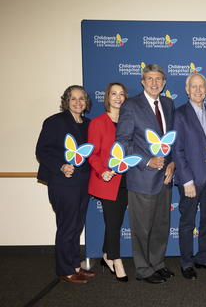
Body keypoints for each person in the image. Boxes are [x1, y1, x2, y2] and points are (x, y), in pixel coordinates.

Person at [116, 64, 175, 284]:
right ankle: (143, 269)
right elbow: (122, 142)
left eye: (158, 78)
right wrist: (147, 160)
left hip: (165, 178)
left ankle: (157, 264)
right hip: (142, 177)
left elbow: (172, 139)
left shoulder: (168, 104)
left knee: (161, 226)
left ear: (164, 82)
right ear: (143, 81)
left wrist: (173, 164)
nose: (154, 82)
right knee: (141, 228)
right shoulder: (131, 106)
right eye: (150, 78)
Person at [36, 85, 96, 284]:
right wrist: (61, 166)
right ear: (66, 101)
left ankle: (75, 266)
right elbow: (42, 151)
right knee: (66, 227)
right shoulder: (55, 121)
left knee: (76, 226)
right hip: (63, 183)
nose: (78, 102)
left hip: (84, 182)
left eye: (82, 98)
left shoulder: (88, 123)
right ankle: (64, 270)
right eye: (73, 98)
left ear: (86, 102)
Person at [172, 73, 206, 280]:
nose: (198, 90)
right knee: (187, 222)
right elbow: (177, 150)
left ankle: (203, 258)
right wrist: (187, 181)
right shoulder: (179, 114)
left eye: (202, 86)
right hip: (191, 176)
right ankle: (185, 262)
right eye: (194, 87)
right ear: (187, 90)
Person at [88, 82, 129, 282]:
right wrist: (102, 171)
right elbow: (92, 154)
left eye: (121, 94)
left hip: (128, 180)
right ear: (107, 97)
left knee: (117, 222)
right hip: (107, 180)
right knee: (112, 223)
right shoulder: (97, 123)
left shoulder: (129, 121)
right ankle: (116, 259)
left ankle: (106, 254)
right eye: (114, 93)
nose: (118, 97)